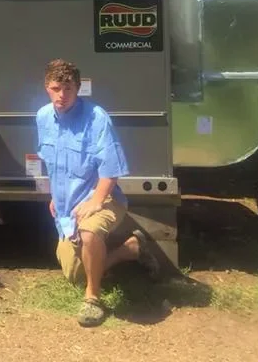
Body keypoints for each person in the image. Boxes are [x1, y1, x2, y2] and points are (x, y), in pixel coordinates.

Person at [36, 58, 160, 327]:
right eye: (56, 88)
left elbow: (111, 170)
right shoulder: (43, 117)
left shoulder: (96, 118)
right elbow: (53, 164)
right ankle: (130, 249)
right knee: (75, 275)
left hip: (104, 196)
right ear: (47, 87)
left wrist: (96, 201)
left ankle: (92, 299)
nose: (62, 95)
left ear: (77, 88)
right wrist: (54, 196)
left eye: (68, 89)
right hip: (68, 205)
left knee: (89, 232)